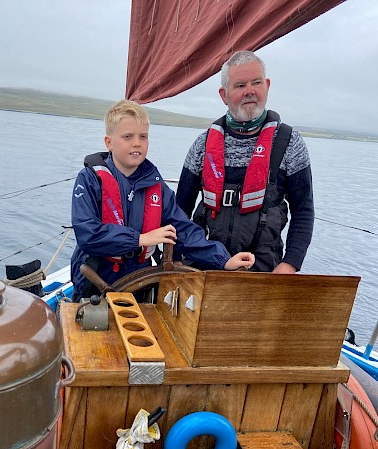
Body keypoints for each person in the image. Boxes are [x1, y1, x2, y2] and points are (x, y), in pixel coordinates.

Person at [70, 99, 254, 301]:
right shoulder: (89, 180)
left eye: (143, 136)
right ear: (109, 142)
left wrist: (224, 260)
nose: (137, 143)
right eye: (127, 136)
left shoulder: (157, 187)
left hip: (139, 285)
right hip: (94, 286)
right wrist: (140, 239)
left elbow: (184, 231)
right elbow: (88, 234)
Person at [176, 50, 314, 274]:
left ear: (267, 86)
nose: (250, 91)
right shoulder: (202, 145)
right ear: (224, 94)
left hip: (264, 274)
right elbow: (180, 208)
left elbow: (304, 209)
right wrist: (176, 259)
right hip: (203, 269)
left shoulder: (290, 143)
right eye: (240, 86)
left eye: (256, 83)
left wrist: (290, 263)